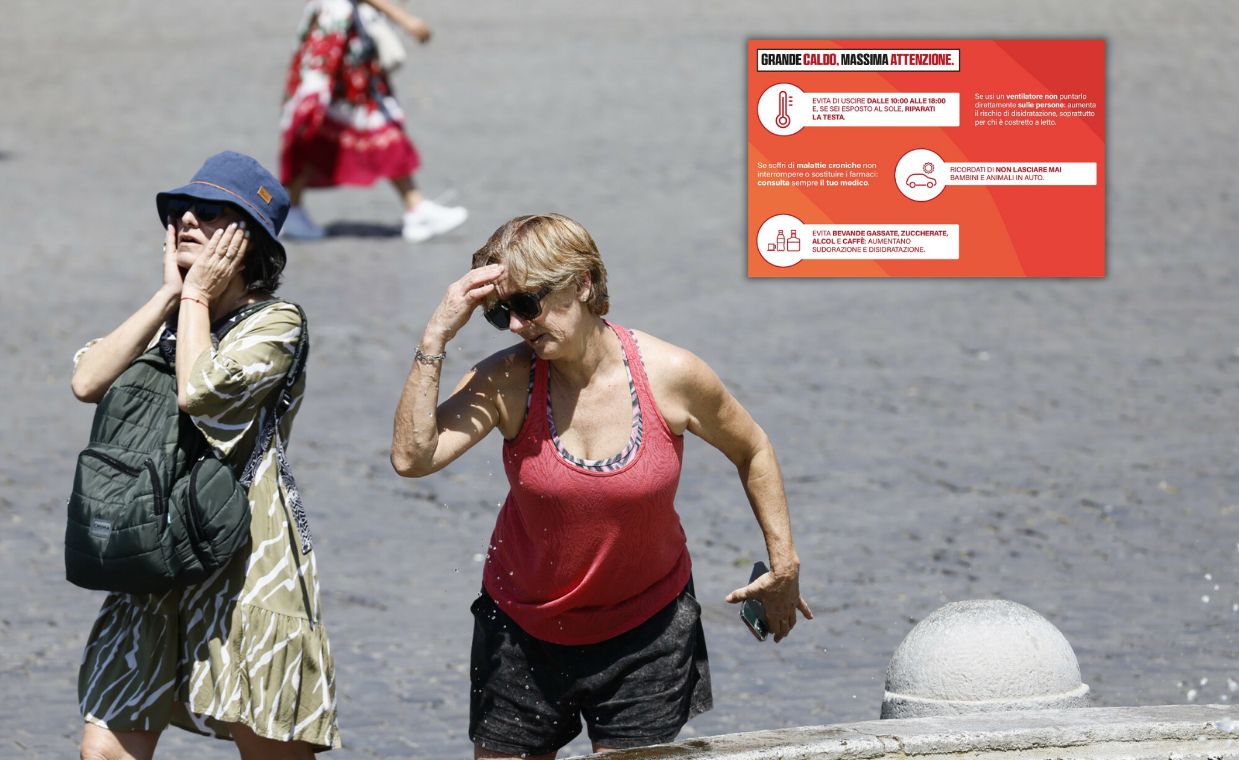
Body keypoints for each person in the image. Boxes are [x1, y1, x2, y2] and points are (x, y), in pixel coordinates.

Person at [390, 213, 814, 758]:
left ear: (583, 283)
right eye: (501, 313)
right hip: (522, 632)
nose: (517, 325)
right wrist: (435, 337)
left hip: (647, 633)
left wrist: (785, 566)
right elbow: (411, 457)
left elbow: (752, 448)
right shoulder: (507, 381)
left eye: (529, 304)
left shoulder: (671, 375)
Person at [71, 152, 338, 759]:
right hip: (153, 547)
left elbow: (201, 392)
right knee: (104, 749)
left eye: (213, 213)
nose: (188, 219)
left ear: (250, 243)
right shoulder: (164, 319)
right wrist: (171, 294)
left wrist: (194, 302)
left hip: (246, 559)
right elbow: (87, 380)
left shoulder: (278, 324)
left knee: (269, 745)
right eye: (180, 210)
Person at [279, 0, 467, 243]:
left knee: (357, 121)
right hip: (337, 38)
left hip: (343, 36)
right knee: (317, 125)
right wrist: (404, 18)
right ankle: (291, 210)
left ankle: (415, 207)